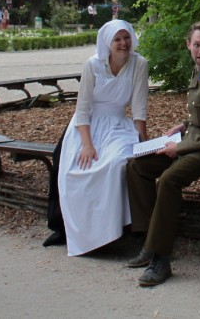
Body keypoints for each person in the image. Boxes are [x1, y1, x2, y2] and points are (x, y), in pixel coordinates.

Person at [125, 20, 200, 287]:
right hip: (198, 140)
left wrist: (179, 146)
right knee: (137, 166)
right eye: (197, 44)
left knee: (169, 179)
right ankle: (148, 240)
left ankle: (161, 259)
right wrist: (183, 126)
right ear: (188, 44)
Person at [56, 20, 149, 256]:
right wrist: (87, 144)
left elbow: (139, 108)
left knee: (116, 164)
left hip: (118, 125)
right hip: (88, 126)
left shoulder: (139, 64)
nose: (123, 43)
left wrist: (144, 142)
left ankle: (114, 230)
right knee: (77, 169)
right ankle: (83, 234)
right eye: (117, 39)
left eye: (126, 37)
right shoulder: (93, 65)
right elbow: (83, 108)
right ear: (107, 42)